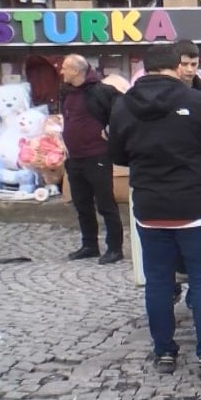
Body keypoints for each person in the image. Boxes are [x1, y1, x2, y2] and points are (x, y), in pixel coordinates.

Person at [108, 43, 201, 377]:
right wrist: (198, 167)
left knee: (159, 282)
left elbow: (118, 155)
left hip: (150, 207)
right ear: (176, 67)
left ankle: (164, 353)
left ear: (145, 68)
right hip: (195, 205)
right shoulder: (195, 101)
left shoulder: (123, 106)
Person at [58, 54, 125, 264]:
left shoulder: (101, 90)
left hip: (97, 156)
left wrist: (111, 131)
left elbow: (122, 110)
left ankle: (115, 248)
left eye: (65, 68)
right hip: (75, 158)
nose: (61, 71)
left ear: (76, 71)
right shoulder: (67, 92)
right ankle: (89, 245)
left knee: (106, 204)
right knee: (82, 204)